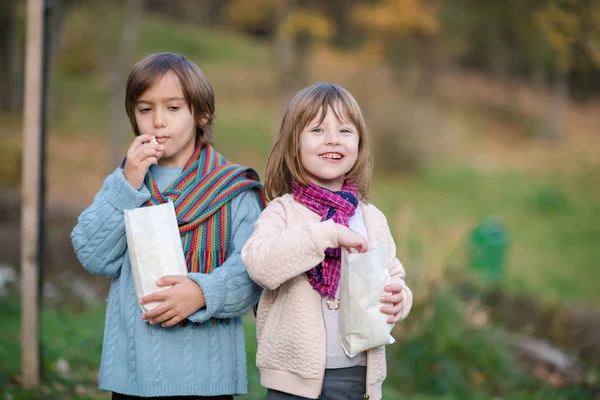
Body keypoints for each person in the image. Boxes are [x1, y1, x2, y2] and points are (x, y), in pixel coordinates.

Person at [71, 52, 265, 399]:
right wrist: (129, 185)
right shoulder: (127, 183)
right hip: (134, 373)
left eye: (173, 108)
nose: (158, 121)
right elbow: (93, 254)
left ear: (200, 114)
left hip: (208, 376)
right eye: (145, 110)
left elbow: (253, 270)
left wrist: (203, 292)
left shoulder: (232, 188)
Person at [241, 83, 413, 400]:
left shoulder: (371, 218)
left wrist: (400, 299)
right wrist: (326, 234)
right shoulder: (282, 211)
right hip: (292, 382)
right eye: (317, 129)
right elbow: (260, 264)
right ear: (294, 145)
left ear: (360, 145)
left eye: (345, 130)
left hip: (356, 378)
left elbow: (393, 275)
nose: (333, 139)